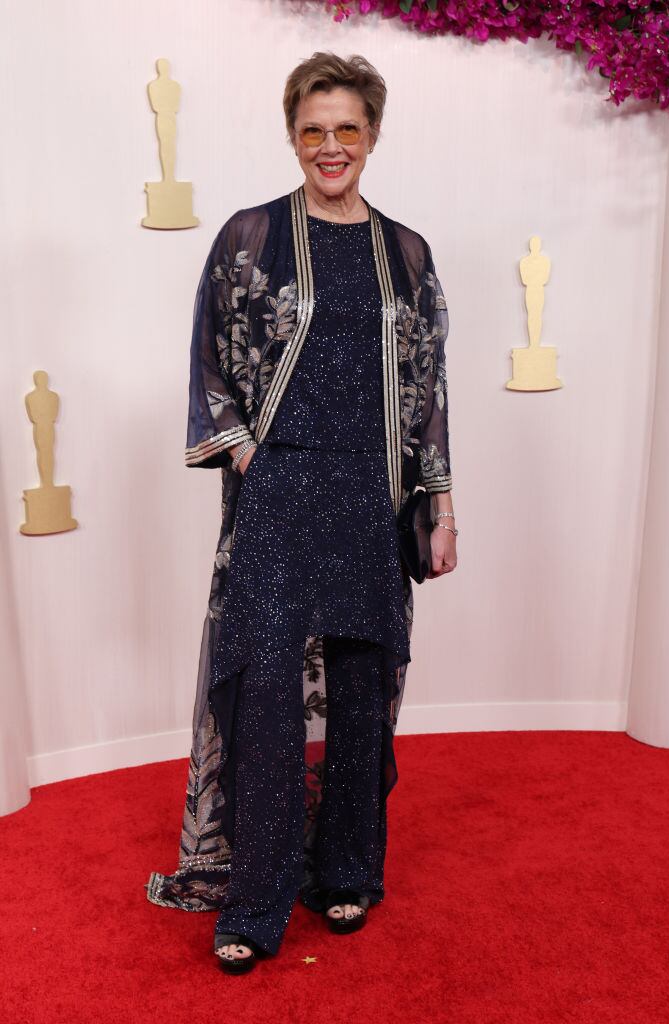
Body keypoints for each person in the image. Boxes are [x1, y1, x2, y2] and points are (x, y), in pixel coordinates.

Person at [146, 51, 457, 974]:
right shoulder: (248, 236)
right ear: (293, 135)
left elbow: (429, 387)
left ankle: (349, 870)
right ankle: (256, 895)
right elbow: (208, 356)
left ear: (372, 137)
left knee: (362, 694)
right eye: (313, 129)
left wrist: (439, 501)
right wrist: (248, 456)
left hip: (371, 492)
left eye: (347, 129)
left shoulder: (406, 252)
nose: (331, 146)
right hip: (279, 490)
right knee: (270, 695)